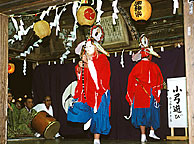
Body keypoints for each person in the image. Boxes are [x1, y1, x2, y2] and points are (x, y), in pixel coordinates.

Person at [67, 38, 111, 144]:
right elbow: (81, 75)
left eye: (90, 47)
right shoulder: (85, 59)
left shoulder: (102, 59)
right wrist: (80, 66)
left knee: (99, 115)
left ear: (96, 48)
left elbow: (100, 74)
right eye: (86, 47)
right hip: (87, 92)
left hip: (99, 92)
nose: (87, 49)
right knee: (80, 108)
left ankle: (96, 139)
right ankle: (88, 118)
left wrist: (88, 64)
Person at [125, 34, 164, 143]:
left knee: (141, 113)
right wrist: (158, 91)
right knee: (152, 111)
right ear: (149, 55)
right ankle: (151, 132)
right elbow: (159, 81)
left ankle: (143, 135)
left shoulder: (136, 67)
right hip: (150, 93)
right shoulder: (154, 66)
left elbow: (130, 81)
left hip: (139, 94)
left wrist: (131, 94)